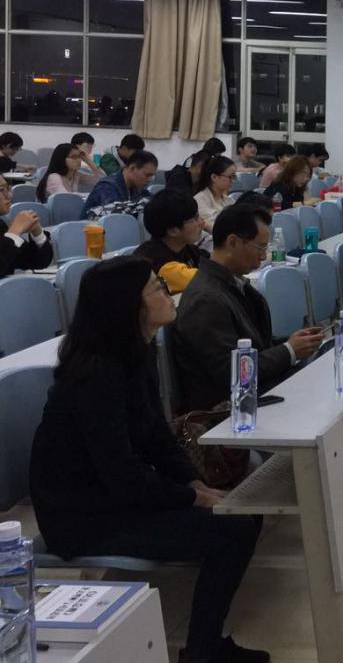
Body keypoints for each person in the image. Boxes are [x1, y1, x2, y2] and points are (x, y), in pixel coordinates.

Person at [28, 257, 270, 663]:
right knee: (233, 530)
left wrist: (195, 483)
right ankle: (203, 651)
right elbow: (123, 476)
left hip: (115, 498)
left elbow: (157, 437)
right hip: (83, 517)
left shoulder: (134, 354)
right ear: (130, 306)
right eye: (157, 287)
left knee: (244, 509)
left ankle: (206, 641)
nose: (168, 293)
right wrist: (192, 498)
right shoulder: (95, 376)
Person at [171, 204, 324, 413]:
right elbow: (232, 373)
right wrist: (289, 350)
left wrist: (294, 343)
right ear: (233, 242)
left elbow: (256, 345)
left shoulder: (231, 283)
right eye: (260, 248)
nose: (263, 256)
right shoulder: (205, 300)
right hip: (231, 409)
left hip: (256, 391)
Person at [135, 189, 208, 294]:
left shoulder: (186, 248)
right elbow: (210, 280)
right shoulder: (159, 263)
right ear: (173, 231)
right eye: (195, 219)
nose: (202, 222)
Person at [0, 180, 53, 278]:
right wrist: (14, 233)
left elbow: (38, 262)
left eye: (7, 189)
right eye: (1, 190)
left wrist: (37, 233)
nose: (9, 195)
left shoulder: (1, 225)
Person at [84, 150, 159, 211]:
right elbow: (115, 215)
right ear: (132, 168)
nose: (149, 180)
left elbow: (154, 201)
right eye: (147, 175)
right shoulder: (106, 187)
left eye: (152, 176)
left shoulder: (136, 187)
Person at [195, 156, 238, 237]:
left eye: (234, 177)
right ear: (214, 177)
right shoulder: (199, 200)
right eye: (230, 177)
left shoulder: (229, 200)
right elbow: (216, 228)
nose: (233, 181)